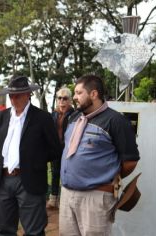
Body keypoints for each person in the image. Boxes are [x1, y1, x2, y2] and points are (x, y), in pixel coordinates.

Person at [59, 75, 140, 235]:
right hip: (67, 194)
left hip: (95, 198)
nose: (74, 97)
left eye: (78, 93)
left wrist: (106, 179)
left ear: (93, 94)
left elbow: (130, 161)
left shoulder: (116, 121)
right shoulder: (74, 117)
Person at [0, 76, 61, 235]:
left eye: (18, 95)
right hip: (4, 179)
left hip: (30, 180)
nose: (14, 99)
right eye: (11, 95)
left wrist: (34, 162)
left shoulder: (42, 118)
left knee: (34, 231)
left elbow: (55, 149)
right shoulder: (1, 117)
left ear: (28, 94)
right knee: (2, 230)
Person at [46, 87, 74, 209]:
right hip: (55, 148)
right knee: (55, 173)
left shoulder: (75, 115)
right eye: (59, 98)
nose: (62, 101)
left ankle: (66, 200)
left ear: (70, 101)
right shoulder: (53, 114)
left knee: (68, 173)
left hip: (69, 148)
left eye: (65, 98)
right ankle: (53, 199)